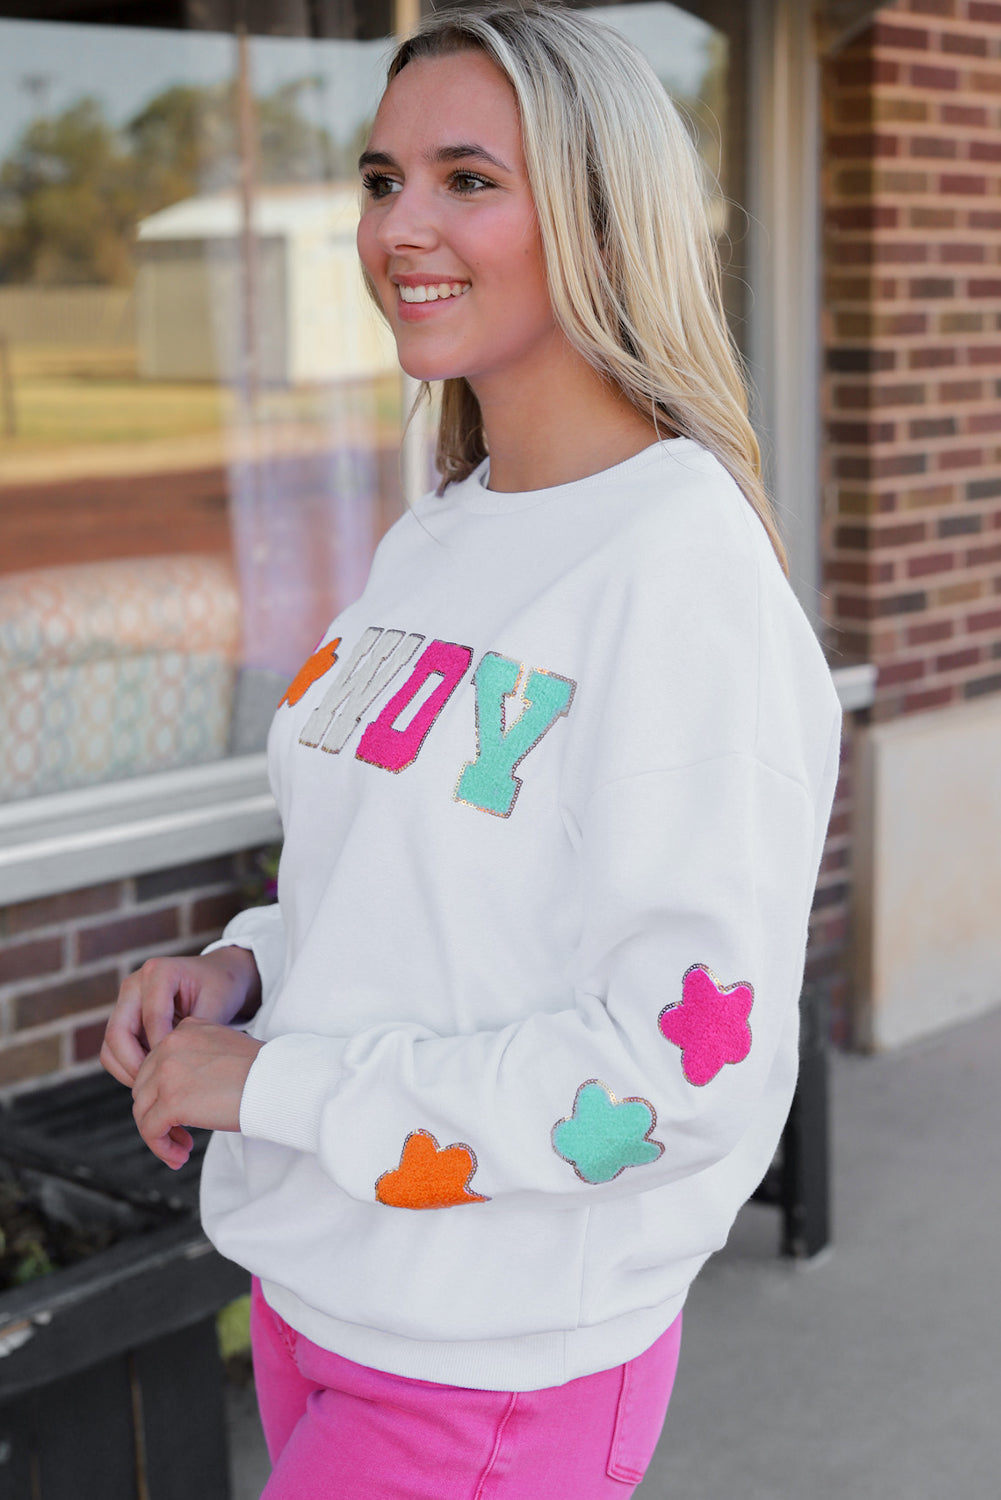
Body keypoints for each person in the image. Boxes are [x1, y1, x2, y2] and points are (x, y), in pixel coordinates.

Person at [101, 5, 841, 1496]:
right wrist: (249, 968)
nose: (400, 229)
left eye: (466, 178)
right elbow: (417, 891)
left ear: (602, 219)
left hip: (492, 1363)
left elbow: (664, 1070)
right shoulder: (441, 531)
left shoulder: (674, 570)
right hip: (323, 1291)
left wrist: (273, 1087)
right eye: (382, 180)